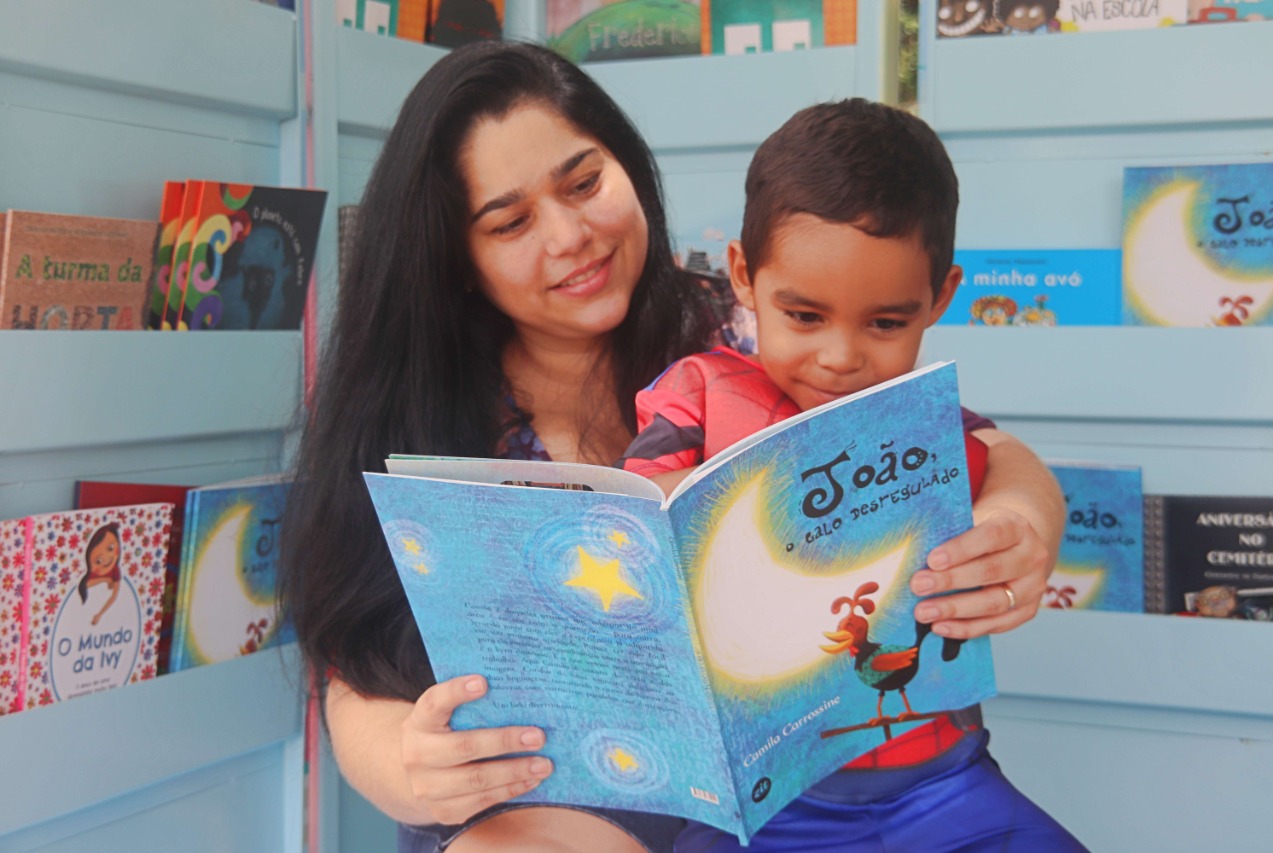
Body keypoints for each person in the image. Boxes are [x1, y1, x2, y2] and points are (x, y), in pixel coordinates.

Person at [279, 41, 1065, 853]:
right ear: (458, 258)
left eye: (585, 183)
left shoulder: (756, 323)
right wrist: (408, 765)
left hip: (827, 786)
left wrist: (1023, 522)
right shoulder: (419, 410)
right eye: (510, 222)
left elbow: (986, 448)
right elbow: (357, 666)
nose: (571, 235)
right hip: (558, 801)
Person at [620, 98, 1084, 851]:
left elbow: (1008, 465)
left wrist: (1021, 525)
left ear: (940, 297)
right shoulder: (699, 392)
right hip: (758, 801)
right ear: (742, 274)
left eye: (886, 323)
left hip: (944, 780)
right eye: (803, 316)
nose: (840, 357)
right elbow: (639, 508)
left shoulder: (923, 419)